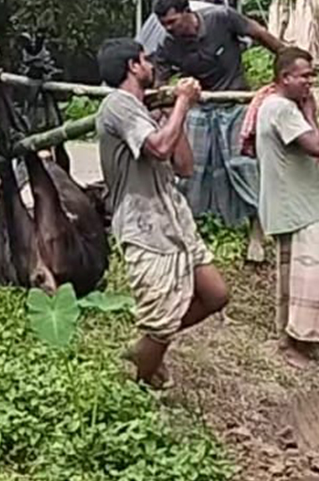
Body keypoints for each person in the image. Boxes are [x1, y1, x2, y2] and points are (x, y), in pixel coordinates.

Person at [96, 38, 229, 389]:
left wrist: (173, 113)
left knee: (215, 295)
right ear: (132, 66)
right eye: (145, 59)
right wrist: (184, 101)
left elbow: (184, 166)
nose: (151, 65)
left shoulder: (143, 110)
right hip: (144, 225)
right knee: (159, 323)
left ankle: (143, 349)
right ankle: (139, 383)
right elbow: (157, 148)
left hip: (173, 217)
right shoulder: (117, 106)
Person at [152, 0, 285, 256]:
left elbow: (259, 34)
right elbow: (159, 79)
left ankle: (257, 233)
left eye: (172, 22)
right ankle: (199, 228)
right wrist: (160, 104)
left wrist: (288, 61)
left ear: (187, 12)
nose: (168, 29)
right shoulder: (169, 45)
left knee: (244, 166)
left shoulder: (221, 18)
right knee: (194, 172)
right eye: (163, 24)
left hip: (235, 104)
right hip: (200, 110)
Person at [255, 47, 319, 369]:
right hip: (293, 205)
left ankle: (297, 339)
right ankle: (291, 343)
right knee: (313, 273)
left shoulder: (273, 105)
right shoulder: (283, 109)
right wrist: (311, 113)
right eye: (304, 76)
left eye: (312, 75)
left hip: (292, 204)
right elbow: (315, 146)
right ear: (285, 78)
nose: (311, 82)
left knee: (295, 276)